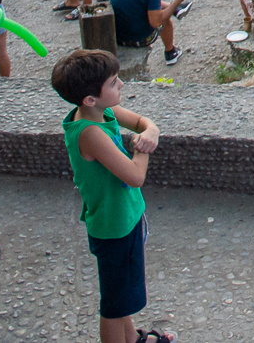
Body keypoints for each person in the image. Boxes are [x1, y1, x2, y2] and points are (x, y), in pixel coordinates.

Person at [50, 48, 171, 343]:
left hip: (122, 218)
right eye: (115, 81)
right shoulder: (89, 133)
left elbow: (144, 123)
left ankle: (131, 338)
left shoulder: (101, 111)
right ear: (90, 98)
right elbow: (134, 175)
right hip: (114, 226)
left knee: (121, 295)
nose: (122, 85)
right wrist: (141, 147)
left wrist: (150, 132)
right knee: (114, 307)